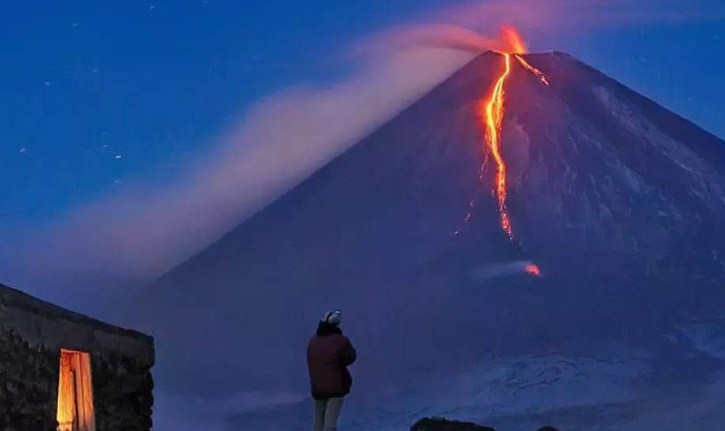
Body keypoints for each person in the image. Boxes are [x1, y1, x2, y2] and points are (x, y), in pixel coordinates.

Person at [307, 310, 357, 431]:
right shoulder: (341, 341)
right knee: (330, 424)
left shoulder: (313, 341)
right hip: (335, 387)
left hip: (317, 388)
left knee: (318, 423)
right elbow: (351, 357)